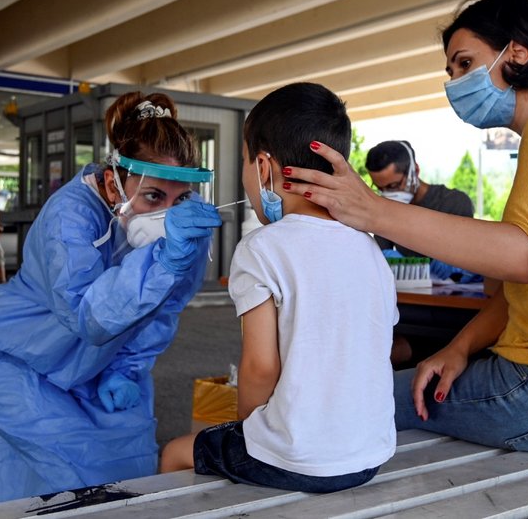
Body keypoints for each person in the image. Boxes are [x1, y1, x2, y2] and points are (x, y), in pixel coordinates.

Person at [281, 0, 528, 455]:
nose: (454, 84)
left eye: (465, 64)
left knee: (342, 400)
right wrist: (460, 347)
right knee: (415, 378)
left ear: (518, 53)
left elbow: (522, 257)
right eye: (450, 72)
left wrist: (372, 209)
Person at [0, 92, 222, 502]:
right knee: (69, 479)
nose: (166, 213)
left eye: (179, 198)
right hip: (19, 360)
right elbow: (88, 315)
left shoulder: (185, 216)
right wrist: (163, 260)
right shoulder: (70, 216)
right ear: (114, 181)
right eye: (152, 198)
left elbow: (165, 307)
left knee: (130, 480)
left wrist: (128, 368)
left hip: (102, 366)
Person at [160, 83, 397, 492]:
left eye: (244, 161)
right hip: (370, 454)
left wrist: (248, 432)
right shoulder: (368, 243)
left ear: (264, 166)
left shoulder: (260, 248)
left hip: (299, 460)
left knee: (175, 453)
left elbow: (260, 368)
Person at [366, 140, 479, 285]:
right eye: (380, 188)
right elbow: (380, 258)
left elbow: (466, 261)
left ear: (415, 171)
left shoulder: (453, 202)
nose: (387, 194)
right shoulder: (386, 210)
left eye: (393, 186)